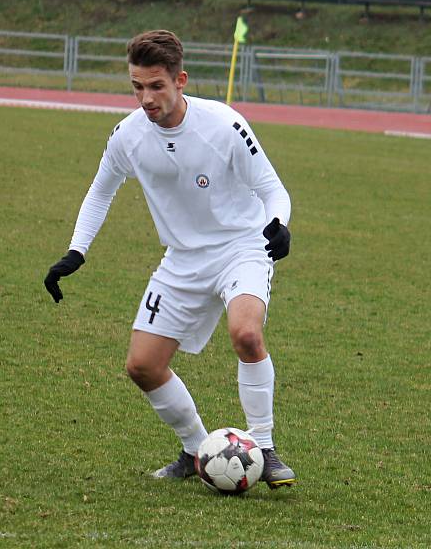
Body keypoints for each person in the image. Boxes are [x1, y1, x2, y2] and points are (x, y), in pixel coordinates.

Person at [44, 30, 296, 489]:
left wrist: (278, 223)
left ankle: (263, 445)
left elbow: (271, 188)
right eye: (137, 87)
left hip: (241, 246)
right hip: (182, 259)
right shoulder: (127, 136)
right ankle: (198, 450)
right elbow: (101, 190)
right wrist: (76, 251)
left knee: (246, 333)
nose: (145, 98)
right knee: (142, 366)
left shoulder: (224, 125)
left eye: (156, 86)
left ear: (180, 80)